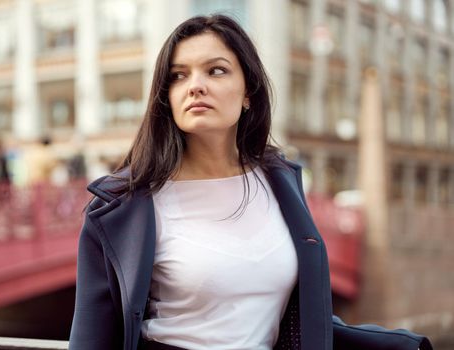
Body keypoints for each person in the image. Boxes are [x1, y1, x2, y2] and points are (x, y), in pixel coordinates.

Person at [69, 15, 432, 350]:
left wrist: (397, 344)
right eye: (178, 75)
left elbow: (290, 314)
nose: (195, 86)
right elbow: (93, 336)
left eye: (216, 71)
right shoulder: (122, 205)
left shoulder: (281, 181)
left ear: (247, 93)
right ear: (166, 96)